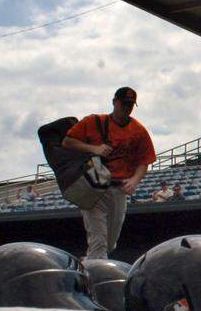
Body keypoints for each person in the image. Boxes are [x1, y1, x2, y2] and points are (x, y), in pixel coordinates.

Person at [62, 86, 155, 260]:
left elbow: (144, 161)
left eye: (130, 104)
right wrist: (93, 148)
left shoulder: (138, 130)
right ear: (114, 102)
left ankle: (87, 262)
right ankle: (96, 282)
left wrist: (135, 180)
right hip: (94, 186)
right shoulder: (94, 121)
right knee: (99, 244)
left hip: (118, 188)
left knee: (110, 244)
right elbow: (67, 141)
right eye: (123, 103)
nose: (127, 108)